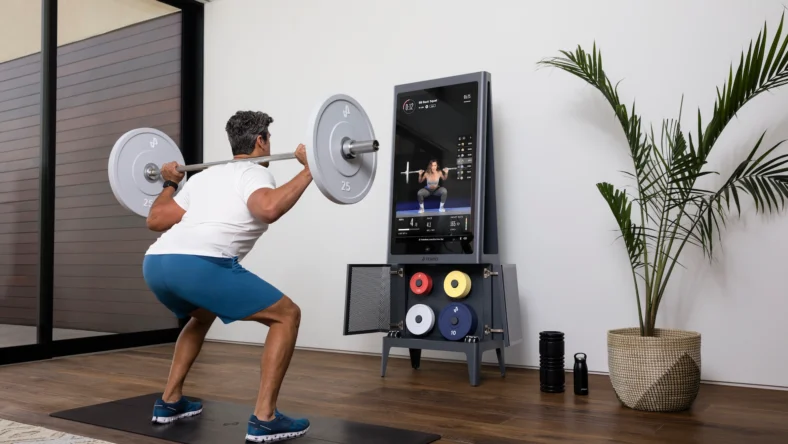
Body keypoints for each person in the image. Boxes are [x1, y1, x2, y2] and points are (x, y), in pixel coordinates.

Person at [141, 110, 312, 442]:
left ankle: (170, 401)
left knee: (201, 315)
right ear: (261, 141)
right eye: (269, 139)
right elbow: (269, 209)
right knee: (287, 316)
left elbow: (157, 219)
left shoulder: (205, 176)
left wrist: (170, 183)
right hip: (198, 266)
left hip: (157, 264)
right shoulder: (254, 173)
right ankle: (265, 418)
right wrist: (310, 170)